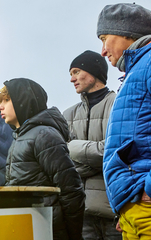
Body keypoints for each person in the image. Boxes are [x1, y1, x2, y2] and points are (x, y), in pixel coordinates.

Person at [0, 78, 85, 240]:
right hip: (31, 226)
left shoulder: (44, 135)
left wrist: (73, 234)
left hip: (49, 228)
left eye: (7, 100)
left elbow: (70, 189)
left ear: (24, 100)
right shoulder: (20, 137)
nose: (0, 106)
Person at [97, 3, 151, 238]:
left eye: (104, 38)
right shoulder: (137, 71)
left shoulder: (148, 64)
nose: (102, 51)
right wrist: (125, 208)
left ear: (127, 32)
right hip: (133, 209)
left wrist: (146, 192)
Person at [63, 50, 120, 239]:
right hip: (82, 213)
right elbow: (64, 163)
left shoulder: (118, 104)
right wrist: (97, 162)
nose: (72, 79)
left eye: (77, 71)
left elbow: (114, 153)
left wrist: (73, 148)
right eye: (71, 74)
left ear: (95, 72)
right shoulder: (68, 115)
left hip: (116, 212)